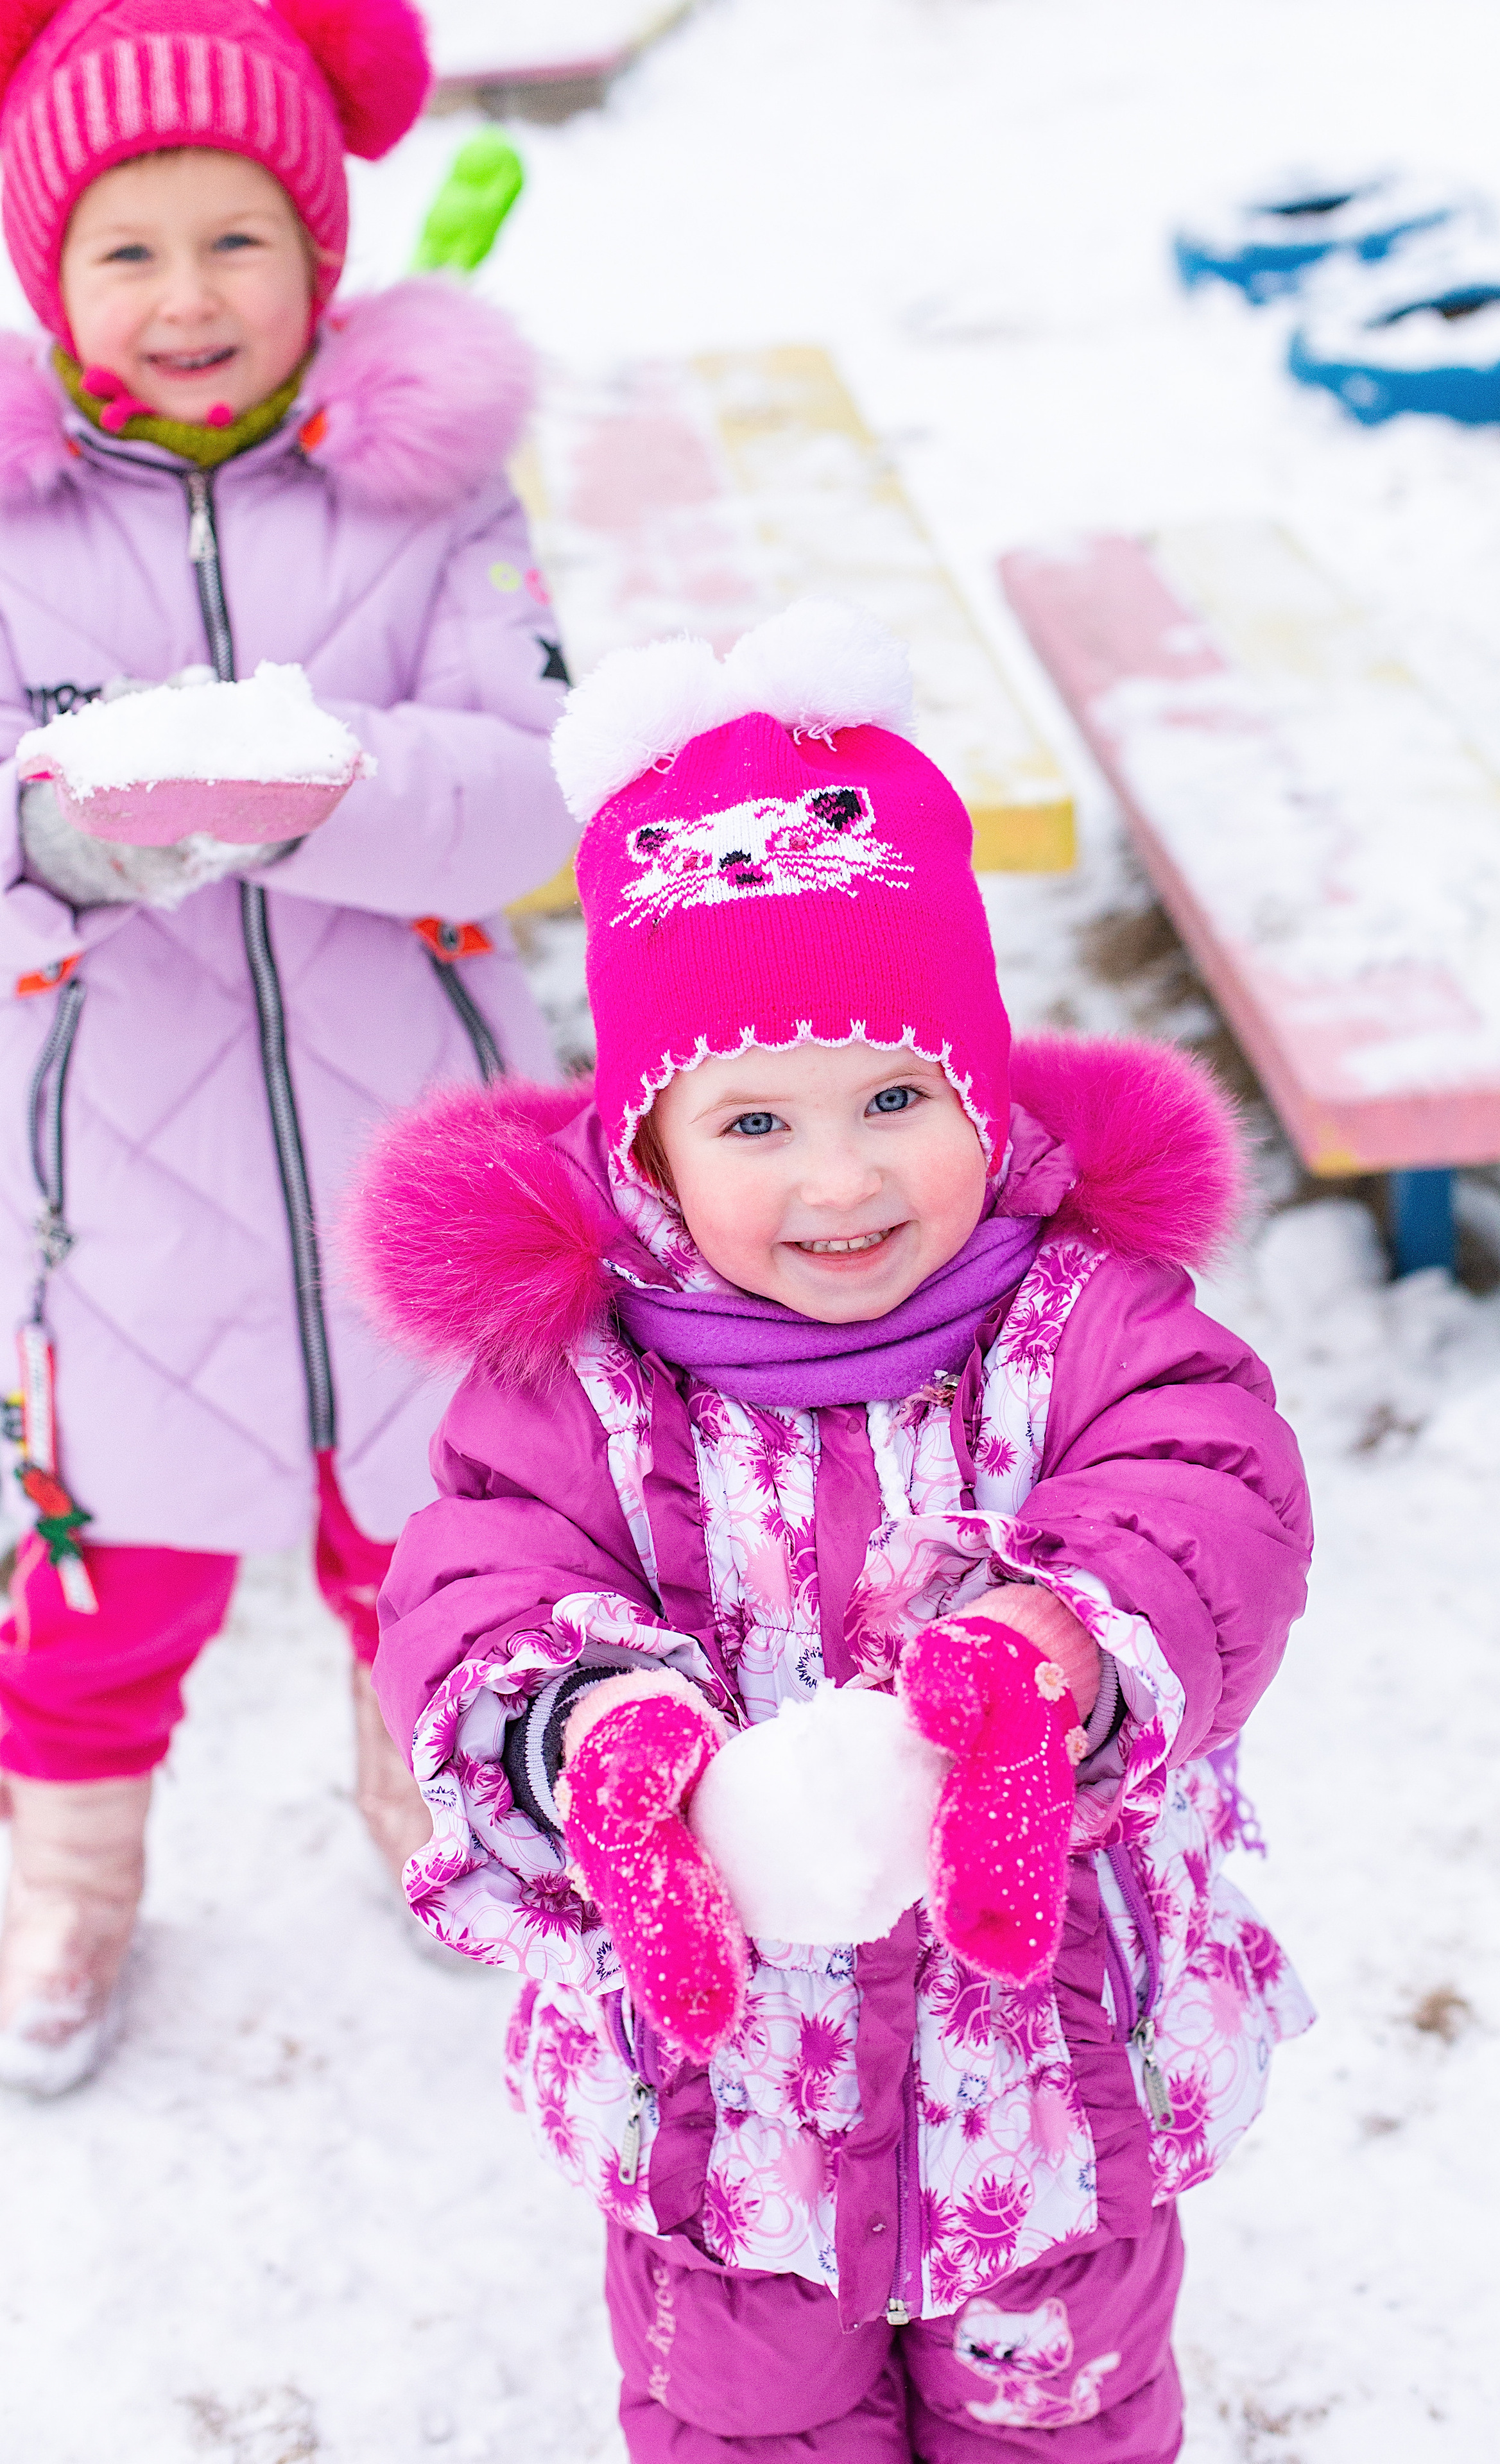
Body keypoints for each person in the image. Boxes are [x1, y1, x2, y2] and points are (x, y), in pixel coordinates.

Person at [353, 601, 1315, 2462]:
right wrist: (600, 1729)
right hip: (730, 2112)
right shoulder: (583, 1387)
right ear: (648, 1148)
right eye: (757, 1120)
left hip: (1051, 2077)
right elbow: (478, 1587)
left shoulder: (1089, 1316)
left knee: (1066, 2418)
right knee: (745, 2432)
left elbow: (1213, 1491)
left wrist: (1049, 1654)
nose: (843, 1175)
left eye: (897, 1096)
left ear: (982, 1089)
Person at [0, 0, 575, 2094]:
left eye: (235, 237)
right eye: (124, 247)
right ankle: (68, 1873)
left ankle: (431, 1787)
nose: (184, 295)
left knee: (438, 1540)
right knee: (95, 1593)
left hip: (418, 1153)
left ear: (321, 256)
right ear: (49, 278)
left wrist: (318, 779)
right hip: (113, 1182)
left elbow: (540, 790)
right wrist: (60, 833)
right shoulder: (10, 522)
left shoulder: (430, 496)